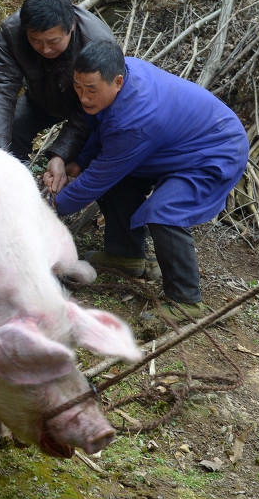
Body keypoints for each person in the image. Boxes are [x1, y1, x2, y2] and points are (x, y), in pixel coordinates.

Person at [44, 40, 248, 321]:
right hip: (176, 145)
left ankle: (186, 301)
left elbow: (99, 175)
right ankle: (126, 255)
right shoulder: (123, 76)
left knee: (164, 211)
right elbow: (104, 132)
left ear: (117, 81)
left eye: (91, 90)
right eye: (78, 88)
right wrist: (76, 163)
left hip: (216, 150)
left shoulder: (137, 119)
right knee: (118, 178)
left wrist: (47, 208)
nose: (84, 98)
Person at [0, 0, 115, 164]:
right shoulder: (12, 32)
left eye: (54, 41)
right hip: (40, 100)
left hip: (87, 107)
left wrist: (60, 154)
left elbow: (95, 102)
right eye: (35, 41)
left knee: (80, 158)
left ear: (72, 27)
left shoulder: (97, 43)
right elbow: (0, 86)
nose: (45, 49)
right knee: (12, 129)